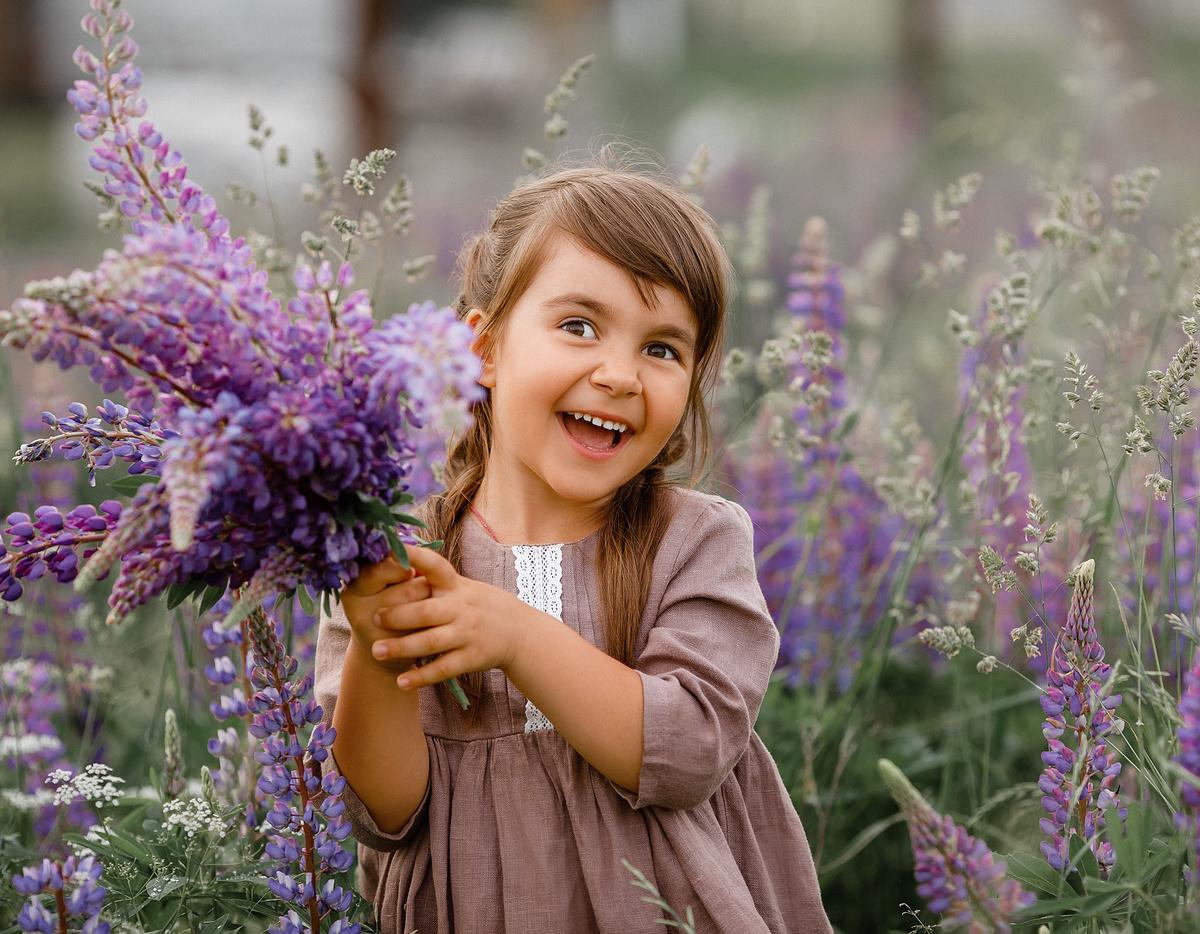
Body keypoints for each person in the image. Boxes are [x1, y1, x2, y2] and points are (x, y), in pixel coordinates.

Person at [315, 164, 831, 934]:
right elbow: (383, 812)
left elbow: (690, 748)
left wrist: (518, 638)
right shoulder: (399, 547)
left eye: (662, 349)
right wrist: (377, 638)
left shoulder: (695, 541)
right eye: (579, 326)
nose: (619, 375)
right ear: (482, 349)